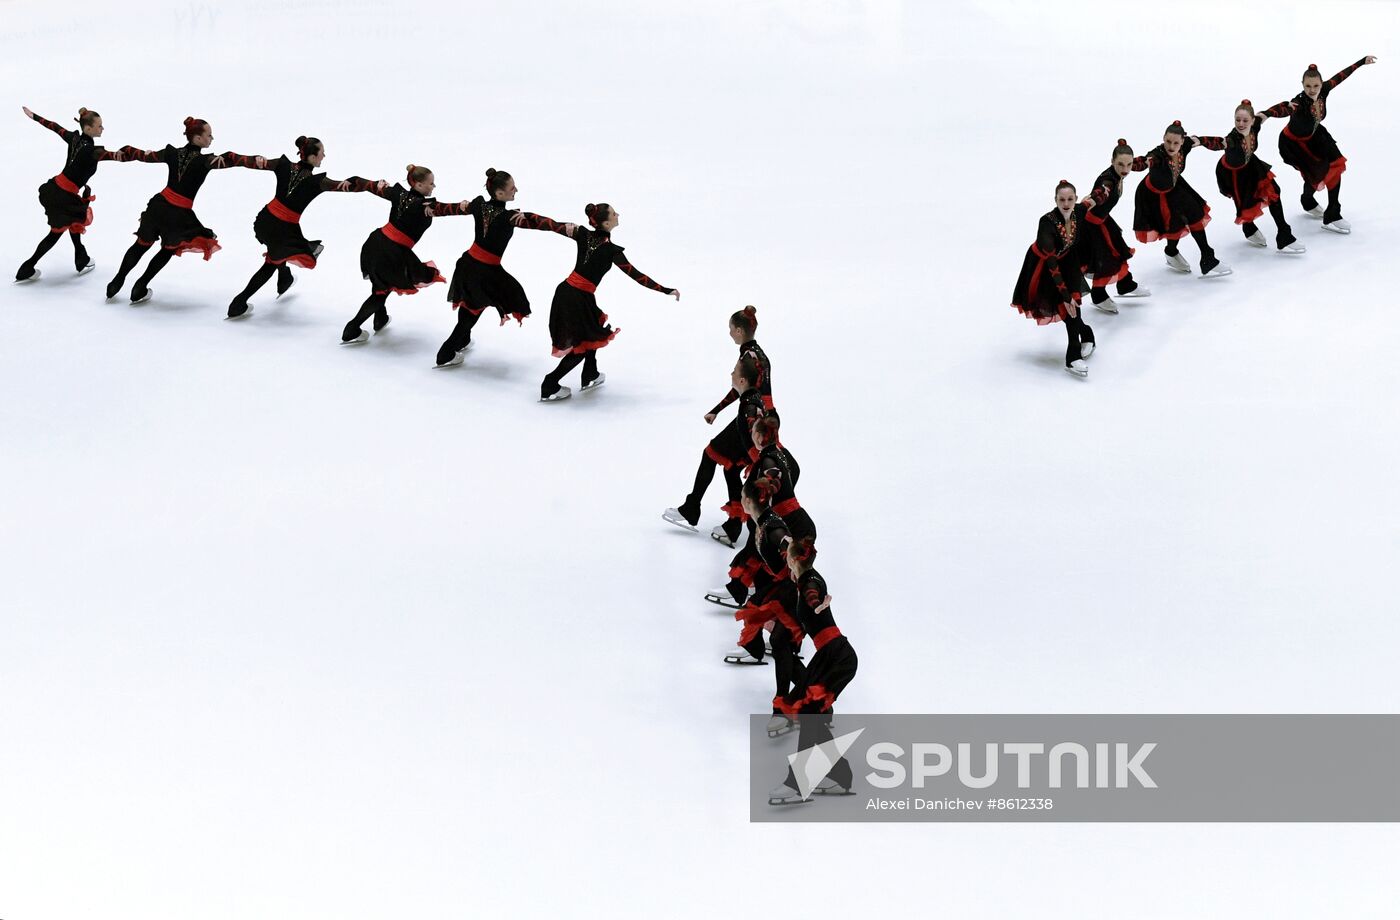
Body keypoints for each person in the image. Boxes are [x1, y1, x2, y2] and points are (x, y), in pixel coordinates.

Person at [108, 117, 267, 304]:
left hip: (158, 206)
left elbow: (144, 156)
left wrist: (125, 150)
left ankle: (116, 281)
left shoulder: (171, 153)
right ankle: (140, 286)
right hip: (178, 214)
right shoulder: (206, 161)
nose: (212, 138)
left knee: (141, 244)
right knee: (167, 250)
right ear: (198, 139)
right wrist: (256, 159)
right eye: (209, 135)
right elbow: (234, 160)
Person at [227, 136, 384, 319]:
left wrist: (237, 157)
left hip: (266, 219)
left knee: (280, 251)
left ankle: (284, 279)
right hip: (284, 228)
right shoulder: (318, 182)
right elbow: (352, 185)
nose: (324, 155)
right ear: (311, 157)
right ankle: (238, 303)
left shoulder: (282, 165)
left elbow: (250, 161)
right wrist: (377, 186)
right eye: (321, 153)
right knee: (273, 261)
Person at [435, 168, 576, 366]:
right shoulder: (508, 217)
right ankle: (445, 354)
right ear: (499, 193)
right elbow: (538, 223)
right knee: (474, 309)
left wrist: (428, 207)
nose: (516, 190)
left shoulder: (478, 205)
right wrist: (565, 228)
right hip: (484, 272)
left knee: (470, 304)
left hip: (468, 264)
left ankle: (463, 339)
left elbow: (450, 208)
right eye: (512, 188)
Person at [540, 203, 679, 401]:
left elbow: (551, 224)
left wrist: (521, 218)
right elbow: (637, 275)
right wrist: (665, 290)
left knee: (594, 331)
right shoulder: (611, 250)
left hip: (569, 292)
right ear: (606, 223)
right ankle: (550, 384)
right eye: (614, 214)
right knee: (581, 346)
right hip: (576, 298)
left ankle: (590, 374)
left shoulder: (582, 233)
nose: (618, 215)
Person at [662, 306, 773, 545]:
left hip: (751, 419)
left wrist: (717, 410)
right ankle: (733, 525)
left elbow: (741, 388)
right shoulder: (759, 354)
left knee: (711, 453)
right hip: (760, 416)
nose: (730, 333)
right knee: (731, 467)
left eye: (731, 329)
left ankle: (692, 509)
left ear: (741, 330)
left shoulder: (747, 357)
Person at [767, 536, 859, 805]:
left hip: (838, 658)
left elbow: (811, 596)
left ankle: (797, 784)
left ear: (794, 559)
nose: (784, 557)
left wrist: (816, 604)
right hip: (829, 656)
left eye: (787, 555)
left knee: (809, 715)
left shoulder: (809, 583)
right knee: (812, 717)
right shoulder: (806, 576)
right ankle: (842, 776)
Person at [341, 164, 469, 345]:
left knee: (380, 283)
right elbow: (446, 209)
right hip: (391, 252)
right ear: (417, 185)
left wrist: (352, 180)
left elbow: (368, 185)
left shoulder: (397, 193)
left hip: (377, 242)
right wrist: (468, 208)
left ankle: (380, 318)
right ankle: (351, 329)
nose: (434, 187)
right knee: (381, 292)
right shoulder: (424, 205)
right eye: (430, 183)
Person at [15, 106, 130, 283]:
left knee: (74, 221)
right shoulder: (92, 151)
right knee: (55, 233)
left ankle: (81, 258)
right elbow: (109, 155)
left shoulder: (74, 138)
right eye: (99, 126)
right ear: (88, 128)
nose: (102, 129)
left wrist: (34, 117)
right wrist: (126, 155)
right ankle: (27, 267)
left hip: (56, 187)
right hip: (62, 196)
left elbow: (54, 126)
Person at [1272, 56, 1378, 233]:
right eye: (1307, 86)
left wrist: (1361, 62)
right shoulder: (1298, 102)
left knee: (1336, 164)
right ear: (1302, 84)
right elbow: (1283, 109)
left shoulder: (1324, 90)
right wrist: (1264, 115)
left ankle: (1333, 213)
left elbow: (1341, 76)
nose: (1312, 90)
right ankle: (1307, 200)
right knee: (1315, 174)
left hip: (1316, 136)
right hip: (1294, 144)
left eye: (1316, 85)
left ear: (1321, 84)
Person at [1010, 180, 1095, 378]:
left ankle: (1073, 355)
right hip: (1045, 267)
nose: (1066, 203)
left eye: (1070, 199)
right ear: (1055, 200)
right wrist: (1065, 295)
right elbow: (1051, 264)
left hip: (1068, 260)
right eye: (1062, 199)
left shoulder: (1078, 212)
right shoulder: (1046, 222)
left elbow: (1090, 202)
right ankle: (1086, 334)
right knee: (1066, 304)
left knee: (1073, 306)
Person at [1131, 121, 1232, 279]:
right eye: (1168, 141)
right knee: (1173, 225)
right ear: (1163, 138)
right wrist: (1127, 164)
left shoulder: (1186, 145)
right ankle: (1172, 253)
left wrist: (1228, 143)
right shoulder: (1157, 155)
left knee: (1195, 214)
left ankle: (1207, 258)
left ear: (1183, 141)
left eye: (1176, 142)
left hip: (1174, 186)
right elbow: (1144, 161)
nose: (1171, 146)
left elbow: (1202, 140)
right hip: (1153, 195)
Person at [1215, 100, 1305, 254]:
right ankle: (1248, 228)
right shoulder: (1231, 140)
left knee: (1274, 192)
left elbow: (1269, 112)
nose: (1241, 124)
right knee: (1246, 203)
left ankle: (1284, 235)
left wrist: (1286, 105)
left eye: (1245, 120)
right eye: (1238, 120)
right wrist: (1197, 141)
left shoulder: (1256, 124)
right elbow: (1216, 143)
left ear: (1252, 120)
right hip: (1233, 173)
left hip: (1251, 165)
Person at [1079, 139, 1151, 314]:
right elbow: (1103, 191)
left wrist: (1152, 159)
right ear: (1112, 161)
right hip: (1092, 224)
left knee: (1119, 251)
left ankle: (1126, 284)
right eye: (1120, 164)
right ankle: (1098, 295)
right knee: (1106, 260)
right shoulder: (1108, 180)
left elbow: (1140, 164)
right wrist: (1092, 200)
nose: (1125, 169)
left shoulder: (1122, 171)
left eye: (1128, 164)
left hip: (1103, 220)